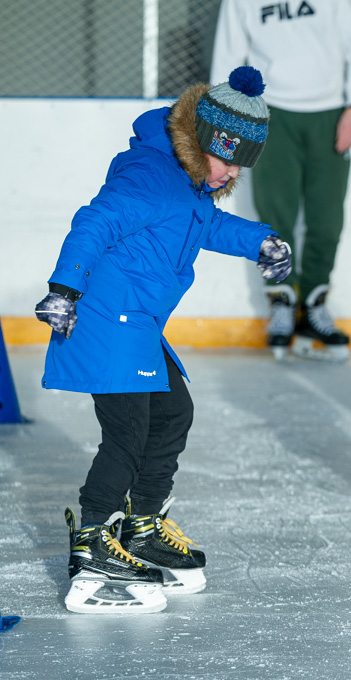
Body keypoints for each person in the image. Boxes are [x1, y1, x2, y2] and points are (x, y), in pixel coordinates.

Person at [34, 66, 292, 614]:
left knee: (173, 412)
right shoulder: (152, 172)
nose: (228, 174)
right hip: (106, 318)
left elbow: (207, 226)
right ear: (201, 141)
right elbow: (95, 221)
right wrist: (63, 288)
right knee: (128, 432)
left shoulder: (193, 183)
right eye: (225, 158)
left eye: (240, 164)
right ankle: (93, 544)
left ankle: (143, 526)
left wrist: (261, 241)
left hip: (138, 325)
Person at [211, 0, 351, 362]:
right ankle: (282, 300)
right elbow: (228, 54)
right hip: (270, 113)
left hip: (330, 113)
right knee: (274, 214)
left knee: (326, 218)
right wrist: (228, 116)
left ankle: (315, 304)